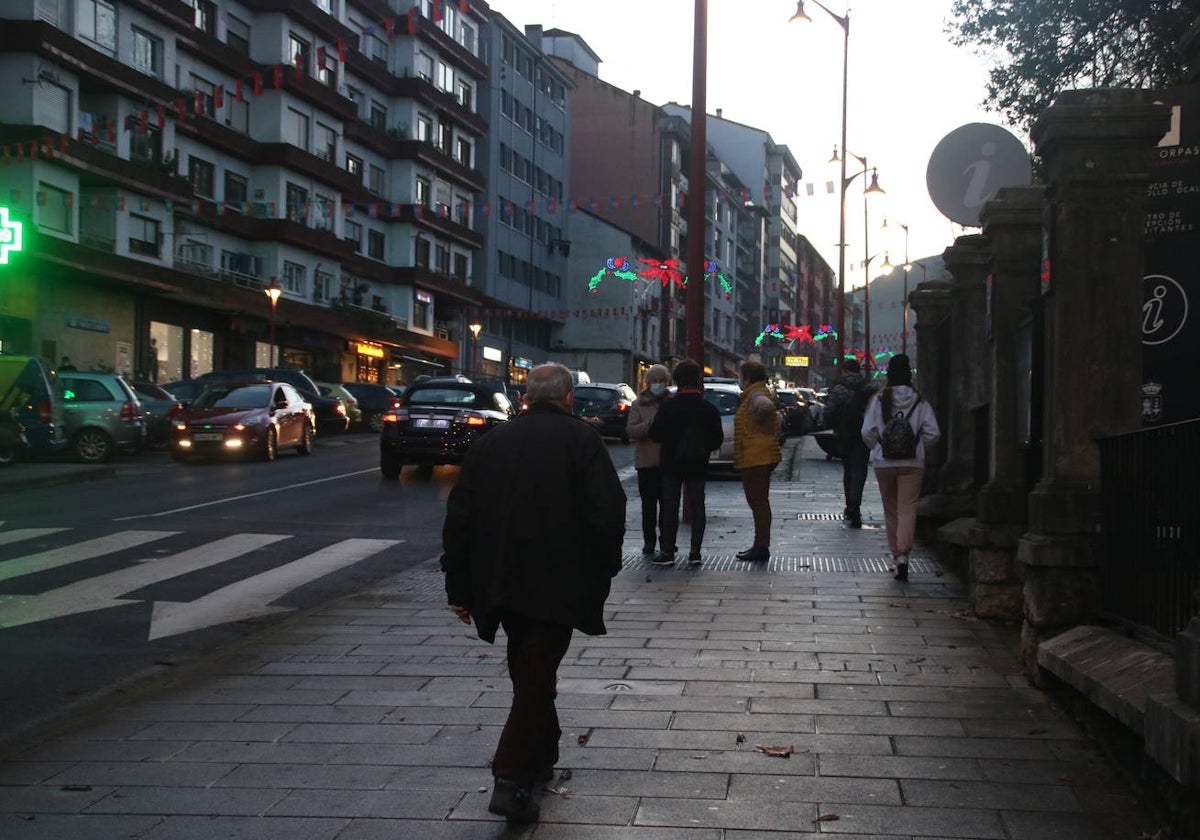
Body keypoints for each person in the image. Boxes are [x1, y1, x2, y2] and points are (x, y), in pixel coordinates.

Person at [441, 362, 626, 825]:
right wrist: (604, 567)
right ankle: (510, 779)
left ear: (526, 397)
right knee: (535, 673)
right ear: (568, 398)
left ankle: (543, 752)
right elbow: (607, 513)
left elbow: (460, 518)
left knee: (527, 665)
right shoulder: (583, 440)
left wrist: (459, 586)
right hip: (558, 579)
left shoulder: (491, 443)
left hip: (499, 578)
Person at [861, 354, 940, 581]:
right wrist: (918, 446)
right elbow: (934, 433)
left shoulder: (879, 400)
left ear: (889, 374)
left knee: (891, 508)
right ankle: (904, 554)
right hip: (912, 463)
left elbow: (867, 432)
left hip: (884, 463)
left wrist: (879, 447)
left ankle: (896, 553)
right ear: (909, 375)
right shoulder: (920, 401)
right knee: (908, 508)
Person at [648, 359, 724, 568]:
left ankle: (667, 551)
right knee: (698, 505)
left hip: (671, 462)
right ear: (698, 380)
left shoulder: (668, 407)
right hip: (698, 462)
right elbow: (717, 439)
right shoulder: (708, 408)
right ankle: (695, 552)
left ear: (677, 381)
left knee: (670, 506)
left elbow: (655, 434)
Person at [732, 360, 781, 563]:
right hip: (757, 455)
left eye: (741, 376)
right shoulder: (755, 393)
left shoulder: (756, 395)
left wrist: (759, 424)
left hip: (757, 456)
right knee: (758, 502)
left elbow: (766, 407)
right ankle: (759, 544)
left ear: (748, 377)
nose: (740, 380)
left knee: (758, 502)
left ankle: (761, 546)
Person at [626, 363, 671, 557]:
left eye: (662, 381)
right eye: (655, 381)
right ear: (648, 382)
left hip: (668, 462)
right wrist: (651, 425)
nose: (658, 384)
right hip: (646, 463)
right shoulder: (639, 403)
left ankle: (666, 541)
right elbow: (632, 431)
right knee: (649, 506)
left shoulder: (672, 401)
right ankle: (649, 541)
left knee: (668, 505)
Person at [823, 359, 873, 528]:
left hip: (844, 434)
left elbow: (828, 413)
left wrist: (834, 425)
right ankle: (855, 506)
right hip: (864, 434)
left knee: (848, 470)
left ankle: (850, 506)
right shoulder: (869, 389)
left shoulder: (838, 390)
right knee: (860, 470)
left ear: (844, 371)